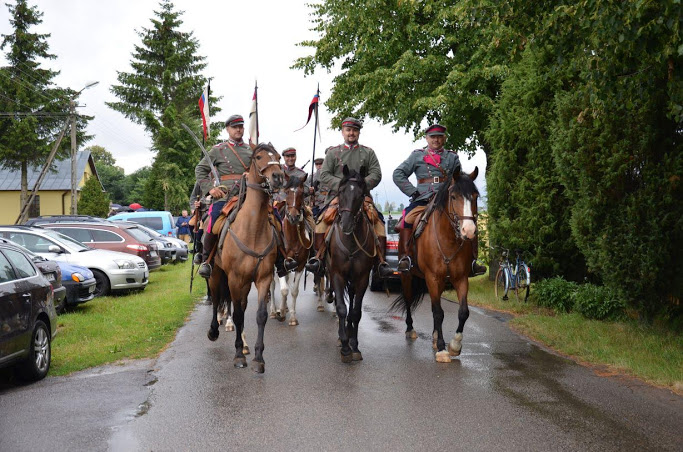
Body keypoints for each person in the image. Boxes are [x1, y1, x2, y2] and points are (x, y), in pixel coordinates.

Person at [392, 124, 487, 276]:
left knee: (469, 221)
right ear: (426, 138)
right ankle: (406, 258)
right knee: (406, 220)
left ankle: (472, 260)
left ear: (444, 139)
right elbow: (398, 174)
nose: (436, 140)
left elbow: (458, 179)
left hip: (447, 199)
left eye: (439, 137)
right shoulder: (417, 156)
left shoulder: (452, 157)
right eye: (433, 137)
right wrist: (412, 192)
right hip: (424, 198)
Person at [305, 117, 392, 278]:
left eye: (355, 130)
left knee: (378, 222)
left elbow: (376, 174)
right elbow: (324, 175)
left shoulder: (368, 152)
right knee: (321, 223)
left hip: (361, 196)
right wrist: (344, 186)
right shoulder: (333, 152)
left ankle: (381, 262)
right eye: (348, 130)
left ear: (358, 133)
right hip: (337, 196)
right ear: (343, 132)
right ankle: (319, 259)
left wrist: (360, 185)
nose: (351, 133)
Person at [194, 114, 253, 279]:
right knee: (213, 220)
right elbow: (200, 169)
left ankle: (280, 260)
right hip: (226, 196)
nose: (238, 130)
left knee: (273, 216)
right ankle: (207, 260)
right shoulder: (218, 150)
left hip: (249, 194)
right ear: (228, 129)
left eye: (241, 126)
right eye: (235, 127)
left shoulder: (251, 150)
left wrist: (252, 174)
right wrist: (210, 189)